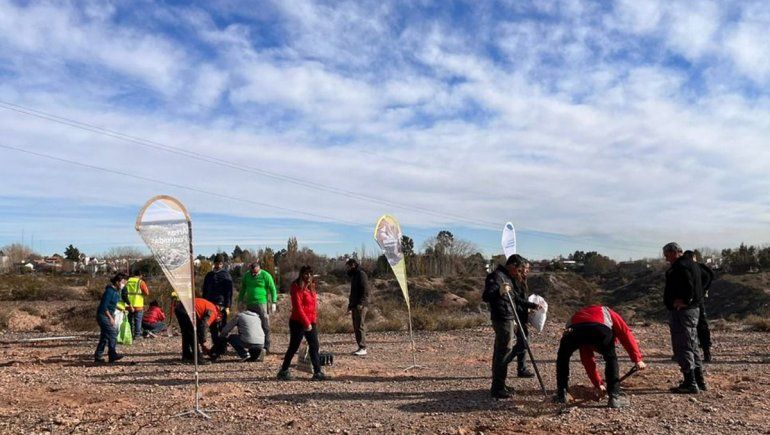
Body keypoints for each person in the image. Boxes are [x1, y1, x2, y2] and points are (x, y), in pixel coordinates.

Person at [553, 305, 647, 408]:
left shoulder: (579, 316)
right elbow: (625, 334)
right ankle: (614, 397)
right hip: (599, 330)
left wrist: (598, 384)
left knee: (562, 358)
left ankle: (562, 395)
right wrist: (637, 359)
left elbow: (588, 361)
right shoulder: (608, 312)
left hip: (573, 332)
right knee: (611, 358)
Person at [482, 254, 540, 398]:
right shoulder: (496, 276)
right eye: (519, 270)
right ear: (512, 265)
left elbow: (515, 298)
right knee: (503, 352)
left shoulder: (506, 277)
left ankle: (500, 384)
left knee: (502, 351)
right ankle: (497, 389)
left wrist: (531, 305)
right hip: (501, 318)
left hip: (508, 317)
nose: (520, 273)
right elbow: (486, 296)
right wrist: (499, 291)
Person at [663, 242, 706, 394]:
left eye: (667, 254)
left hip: (682, 311)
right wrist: (697, 299)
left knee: (683, 345)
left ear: (674, 252)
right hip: (693, 310)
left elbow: (688, 284)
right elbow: (707, 277)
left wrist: (686, 300)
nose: (666, 258)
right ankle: (699, 381)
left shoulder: (680, 266)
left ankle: (690, 382)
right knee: (692, 344)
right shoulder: (692, 264)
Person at [277, 266, 327, 381]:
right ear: (301, 274)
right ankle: (283, 370)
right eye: (306, 274)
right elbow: (298, 307)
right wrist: (306, 323)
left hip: (310, 321)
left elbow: (313, 306)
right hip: (298, 322)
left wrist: (313, 321)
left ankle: (317, 372)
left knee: (314, 346)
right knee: (293, 347)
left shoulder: (312, 286)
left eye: (310, 274)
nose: (308, 276)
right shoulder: (296, 286)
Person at [507, 258, 540, 378]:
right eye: (526, 268)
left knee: (523, 341)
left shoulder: (522, 280)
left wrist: (529, 307)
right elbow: (516, 299)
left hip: (522, 314)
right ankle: (504, 363)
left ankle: (521, 368)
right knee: (524, 343)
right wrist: (531, 305)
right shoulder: (514, 281)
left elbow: (523, 299)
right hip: (517, 315)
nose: (527, 271)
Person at [239, 260, 277, 353]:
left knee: (265, 324)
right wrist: (240, 300)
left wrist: (274, 302)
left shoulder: (266, 275)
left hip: (262, 303)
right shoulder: (246, 276)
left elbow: (272, 289)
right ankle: (253, 347)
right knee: (251, 325)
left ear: (259, 269)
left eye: (256, 272)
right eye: (252, 272)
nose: (254, 274)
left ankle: (266, 347)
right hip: (250, 303)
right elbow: (243, 289)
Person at [687, 251, 716, 362]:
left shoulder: (688, 267)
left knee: (689, 327)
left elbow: (710, 275)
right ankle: (706, 352)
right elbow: (711, 275)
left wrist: (703, 288)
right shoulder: (699, 266)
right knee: (702, 325)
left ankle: (697, 352)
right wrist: (704, 289)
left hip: (690, 301)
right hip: (699, 300)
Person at [174, 297, 220, 364]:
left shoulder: (210, 305)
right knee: (192, 335)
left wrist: (202, 342)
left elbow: (200, 325)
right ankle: (198, 359)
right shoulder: (214, 312)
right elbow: (204, 326)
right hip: (186, 309)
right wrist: (203, 343)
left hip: (180, 308)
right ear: (219, 316)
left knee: (186, 334)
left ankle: (186, 356)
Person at [94, 273, 127, 363]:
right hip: (103, 316)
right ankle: (112, 354)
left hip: (106, 315)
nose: (123, 284)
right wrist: (110, 318)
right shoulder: (109, 291)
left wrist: (121, 309)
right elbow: (104, 306)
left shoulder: (115, 292)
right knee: (113, 332)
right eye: (122, 282)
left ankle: (98, 356)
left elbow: (112, 304)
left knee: (104, 336)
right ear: (117, 282)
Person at [202, 254, 233, 345]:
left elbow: (229, 292)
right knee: (212, 325)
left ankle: (223, 345)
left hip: (221, 304)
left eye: (220, 263)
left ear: (222, 264)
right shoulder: (209, 275)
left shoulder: (226, 275)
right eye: (216, 263)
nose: (218, 265)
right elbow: (204, 289)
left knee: (222, 326)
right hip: (209, 303)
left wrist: (228, 306)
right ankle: (215, 344)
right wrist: (204, 302)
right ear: (214, 263)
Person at [346, 258, 370, 356]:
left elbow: (365, 290)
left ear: (353, 265)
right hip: (355, 305)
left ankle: (363, 348)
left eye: (348, 267)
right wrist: (350, 305)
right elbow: (353, 293)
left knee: (360, 326)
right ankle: (360, 347)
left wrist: (361, 303)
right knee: (356, 326)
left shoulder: (361, 274)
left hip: (361, 305)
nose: (347, 269)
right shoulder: (354, 276)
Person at [123, 272, 150, 339]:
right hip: (138, 305)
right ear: (140, 275)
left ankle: (129, 334)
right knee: (138, 320)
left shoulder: (127, 281)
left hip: (128, 304)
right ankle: (137, 335)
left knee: (129, 320)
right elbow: (146, 293)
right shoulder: (140, 282)